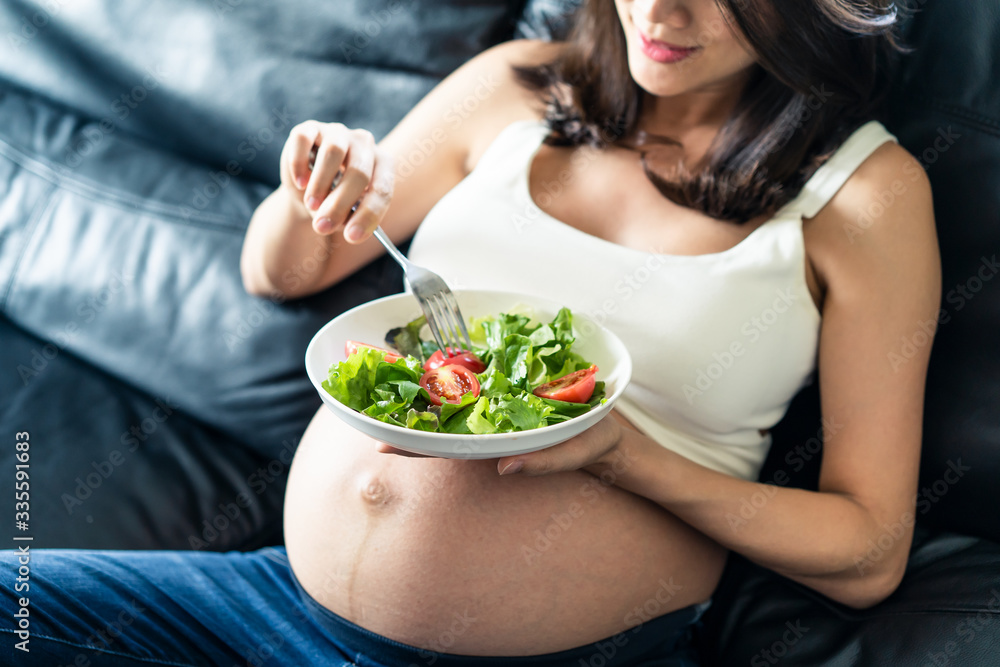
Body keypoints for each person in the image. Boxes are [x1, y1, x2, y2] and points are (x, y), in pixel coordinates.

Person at [2, 1, 941, 665]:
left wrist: (623, 457)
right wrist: (313, 187)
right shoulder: (511, 87)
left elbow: (868, 551)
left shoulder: (866, 197)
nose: (660, 12)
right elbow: (277, 271)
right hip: (272, 604)